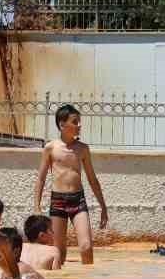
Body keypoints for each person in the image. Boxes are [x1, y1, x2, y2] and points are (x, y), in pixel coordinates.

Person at [33, 104, 109, 266]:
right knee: (58, 252)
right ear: (62, 125)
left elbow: (92, 179)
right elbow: (41, 178)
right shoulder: (50, 148)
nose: (79, 125)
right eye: (75, 122)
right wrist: (37, 206)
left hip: (78, 200)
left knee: (86, 246)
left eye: (79, 121)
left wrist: (103, 206)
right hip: (58, 201)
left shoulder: (82, 149)